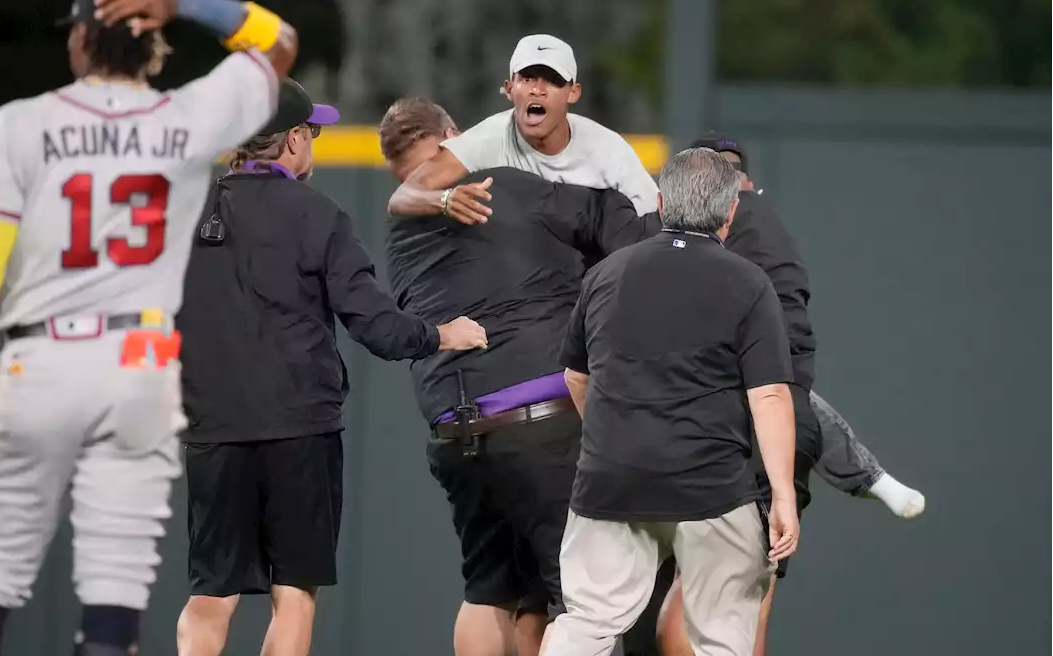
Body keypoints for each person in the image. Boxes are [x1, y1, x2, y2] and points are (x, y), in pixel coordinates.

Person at [0, 0, 299, 656]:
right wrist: (182, 2)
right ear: (154, 44)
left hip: (42, 363)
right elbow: (279, 43)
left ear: (80, 39)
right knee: (112, 607)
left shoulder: (25, 123)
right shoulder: (188, 118)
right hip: (140, 371)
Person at [175, 84, 488, 656]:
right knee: (293, 594)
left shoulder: (188, 212)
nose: (312, 144)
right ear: (292, 139)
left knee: (209, 598)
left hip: (211, 428)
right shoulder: (318, 214)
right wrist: (442, 334)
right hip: (299, 429)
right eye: (311, 133)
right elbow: (376, 325)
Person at [379, 97, 665, 656]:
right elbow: (618, 231)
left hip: (455, 435)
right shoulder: (504, 181)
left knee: (493, 591)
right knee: (587, 601)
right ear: (453, 136)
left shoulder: (398, 234)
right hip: (540, 425)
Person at [652, 132, 925, 656]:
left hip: (697, 430)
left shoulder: (677, 239)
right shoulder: (765, 239)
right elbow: (784, 383)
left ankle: (869, 475)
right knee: (742, 605)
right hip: (762, 428)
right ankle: (869, 476)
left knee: (697, 600)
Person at [541, 148, 799, 656]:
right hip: (710, 487)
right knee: (722, 636)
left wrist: (611, 437)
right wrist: (784, 498)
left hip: (610, 480)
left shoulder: (606, 275)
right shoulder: (749, 282)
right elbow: (769, 394)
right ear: (730, 213)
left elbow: (575, 376)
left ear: (659, 203)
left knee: (587, 622)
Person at [690, 132, 925, 520]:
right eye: (717, 170)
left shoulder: (745, 218)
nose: (727, 181)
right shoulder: (725, 224)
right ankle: (868, 476)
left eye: (731, 171)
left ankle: (868, 475)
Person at [386, 34, 659, 225]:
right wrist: (444, 200)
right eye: (527, 78)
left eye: (552, 80)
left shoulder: (607, 150)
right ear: (509, 89)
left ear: (573, 93)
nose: (537, 89)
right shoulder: (488, 138)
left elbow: (654, 223)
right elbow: (402, 197)